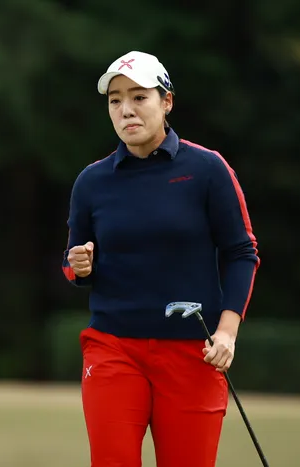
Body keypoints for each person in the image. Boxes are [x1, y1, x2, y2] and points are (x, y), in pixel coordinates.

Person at [61, 50, 260, 467]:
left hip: (192, 353)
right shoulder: (92, 181)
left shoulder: (208, 169)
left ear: (166, 101)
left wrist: (226, 333)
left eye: (139, 97)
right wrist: (79, 265)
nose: (126, 109)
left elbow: (241, 252)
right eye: (115, 100)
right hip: (113, 348)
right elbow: (72, 260)